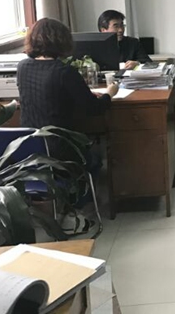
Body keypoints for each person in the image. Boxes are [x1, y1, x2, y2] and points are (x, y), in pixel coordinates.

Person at [17, 18, 119, 233]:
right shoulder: (64, 71)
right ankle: (76, 209)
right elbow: (94, 109)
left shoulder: (23, 67)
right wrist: (110, 93)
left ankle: (61, 207)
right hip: (60, 149)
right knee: (94, 159)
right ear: (62, 41)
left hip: (29, 149)